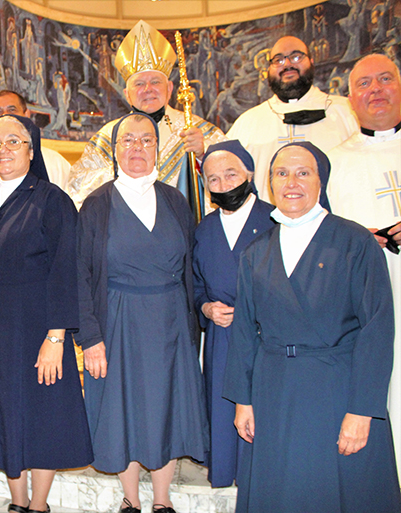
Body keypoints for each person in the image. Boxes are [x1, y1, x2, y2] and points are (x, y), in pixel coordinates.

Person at [224, 142, 401, 512]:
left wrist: (363, 409)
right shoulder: (256, 251)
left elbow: (377, 328)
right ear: (269, 183)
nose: (292, 182)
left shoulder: (355, 241)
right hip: (275, 394)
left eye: (303, 172)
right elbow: (243, 331)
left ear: (321, 182)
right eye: (281, 173)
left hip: (336, 393)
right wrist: (244, 400)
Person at [76, 113, 208, 513]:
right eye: (128, 141)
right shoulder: (96, 204)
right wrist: (91, 337)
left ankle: (163, 500)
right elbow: (78, 275)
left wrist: (196, 321)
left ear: (157, 148)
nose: (137, 148)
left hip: (169, 321)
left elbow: (192, 267)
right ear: (115, 151)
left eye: (146, 140)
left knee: (166, 405)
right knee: (123, 408)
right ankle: (131, 499)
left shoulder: (175, 200)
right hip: (117, 320)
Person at [0, 115, 93, 513]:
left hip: (36, 322)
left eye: (13, 142)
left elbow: (65, 270)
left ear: (31, 151)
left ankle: (38, 505)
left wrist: (57, 337)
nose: (3, 150)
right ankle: (16, 503)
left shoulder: (52, 199)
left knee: (41, 413)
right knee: (2, 411)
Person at [327, 53, 401, 476]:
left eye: (385, 79)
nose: (375, 90)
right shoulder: (335, 161)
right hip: (366, 297)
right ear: (350, 98)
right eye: (364, 84)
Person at [67, 19, 225, 209]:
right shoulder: (108, 137)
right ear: (127, 94)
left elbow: (233, 179)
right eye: (139, 84)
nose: (148, 89)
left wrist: (202, 155)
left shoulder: (196, 130)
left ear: (170, 88)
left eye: (156, 82)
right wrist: (125, 172)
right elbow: (78, 187)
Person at [191, 141, 275, 488]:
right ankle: (226, 471)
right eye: (213, 180)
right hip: (222, 338)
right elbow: (195, 285)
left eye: (231, 175)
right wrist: (207, 308)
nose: (223, 185)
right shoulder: (204, 229)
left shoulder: (275, 219)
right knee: (224, 409)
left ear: (250, 173)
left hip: (266, 336)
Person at [226, 36, 357, 202]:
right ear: (269, 69)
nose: (287, 65)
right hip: (271, 225)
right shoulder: (248, 122)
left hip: (334, 221)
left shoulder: (346, 111)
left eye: (296, 57)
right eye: (278, 60)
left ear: (311, 61)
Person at [0, 90, 71, 211]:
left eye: (12, 110)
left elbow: (70, 210)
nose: (5, 115)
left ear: (27, 114)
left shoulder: (56, 163)